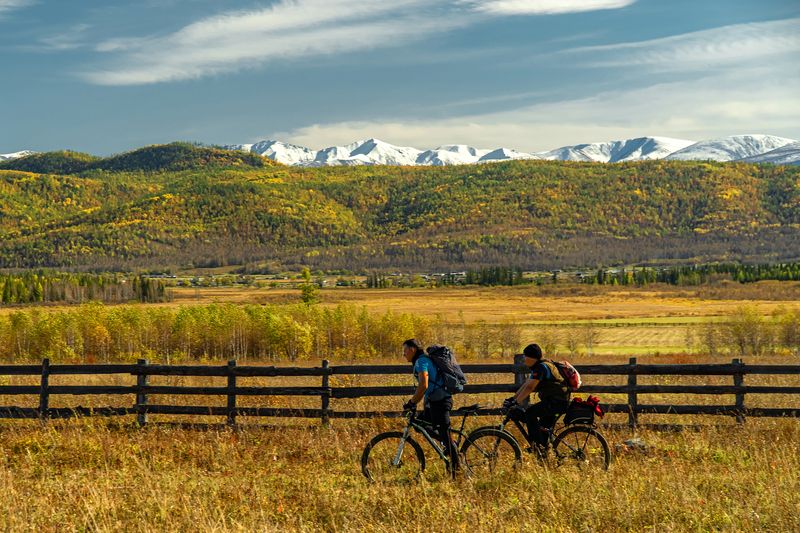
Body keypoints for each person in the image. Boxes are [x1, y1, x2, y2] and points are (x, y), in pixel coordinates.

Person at [401, 338, 458, 470]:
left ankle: (456, 471)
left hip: (441, 401)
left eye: (405, 350)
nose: (403, 354)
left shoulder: (421, 361)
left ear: (412, 349)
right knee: (420, 423)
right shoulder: (422, 360)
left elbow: (423, 385)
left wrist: (412, 402)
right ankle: (449, 445)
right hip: (434, 402)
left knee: (446, 437)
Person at [504, 343, 570, 455]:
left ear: (532, 357)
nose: (524, 358)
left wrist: (516, 402)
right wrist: (513, 398)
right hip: (555, 400)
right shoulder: (539, 366)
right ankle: (543, 451)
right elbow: (526, 385)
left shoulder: (541, 368)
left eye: (526, 356)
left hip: (557, 402)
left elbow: (530, 387)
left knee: (530, 413)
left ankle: (536, 446)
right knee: (542, 427)